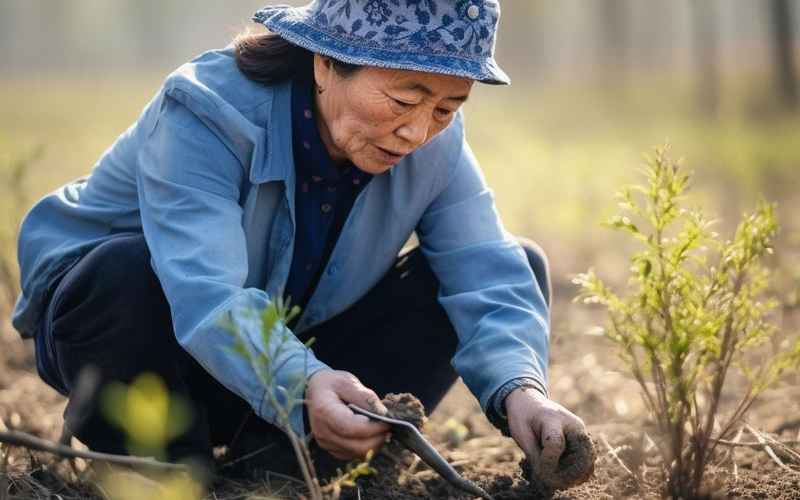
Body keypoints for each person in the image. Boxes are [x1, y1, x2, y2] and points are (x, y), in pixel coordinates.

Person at [13, 0, 586, 476]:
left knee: (520, 262)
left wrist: (523, 392)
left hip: (281, 351)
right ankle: (166, 470)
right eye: (404, 100)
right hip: (141, 346)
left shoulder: (436, 144)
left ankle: (285, 467)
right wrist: (303, 380)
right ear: (325, 64)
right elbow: (205, 292)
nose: (417, 131)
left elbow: (484, 265)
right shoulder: (205, 110)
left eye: (446, 107)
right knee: (123, 271)